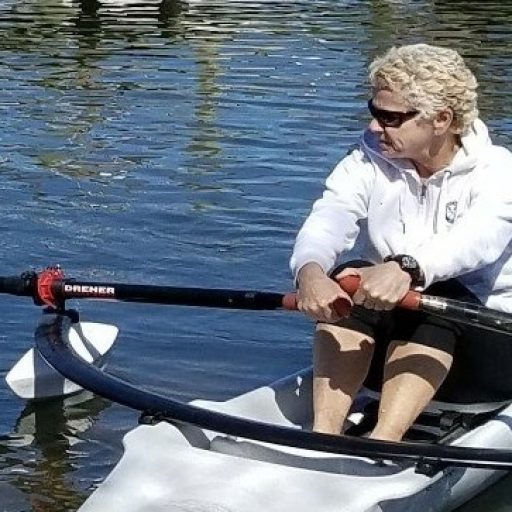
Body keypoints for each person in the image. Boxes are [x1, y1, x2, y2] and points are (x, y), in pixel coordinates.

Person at [290, 43, 512, 442]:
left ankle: (385, 442)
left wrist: (407, 267)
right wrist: (310, 271)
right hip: (398, 336)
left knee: (437, 293)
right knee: (349, 278)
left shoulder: (499, 171)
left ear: (441, 119)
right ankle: (324, 436)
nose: (376, 127)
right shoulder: (366, 159)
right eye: (374, 112)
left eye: (390, 118)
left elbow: (477, 239)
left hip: (487, 355)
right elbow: (331, 215)